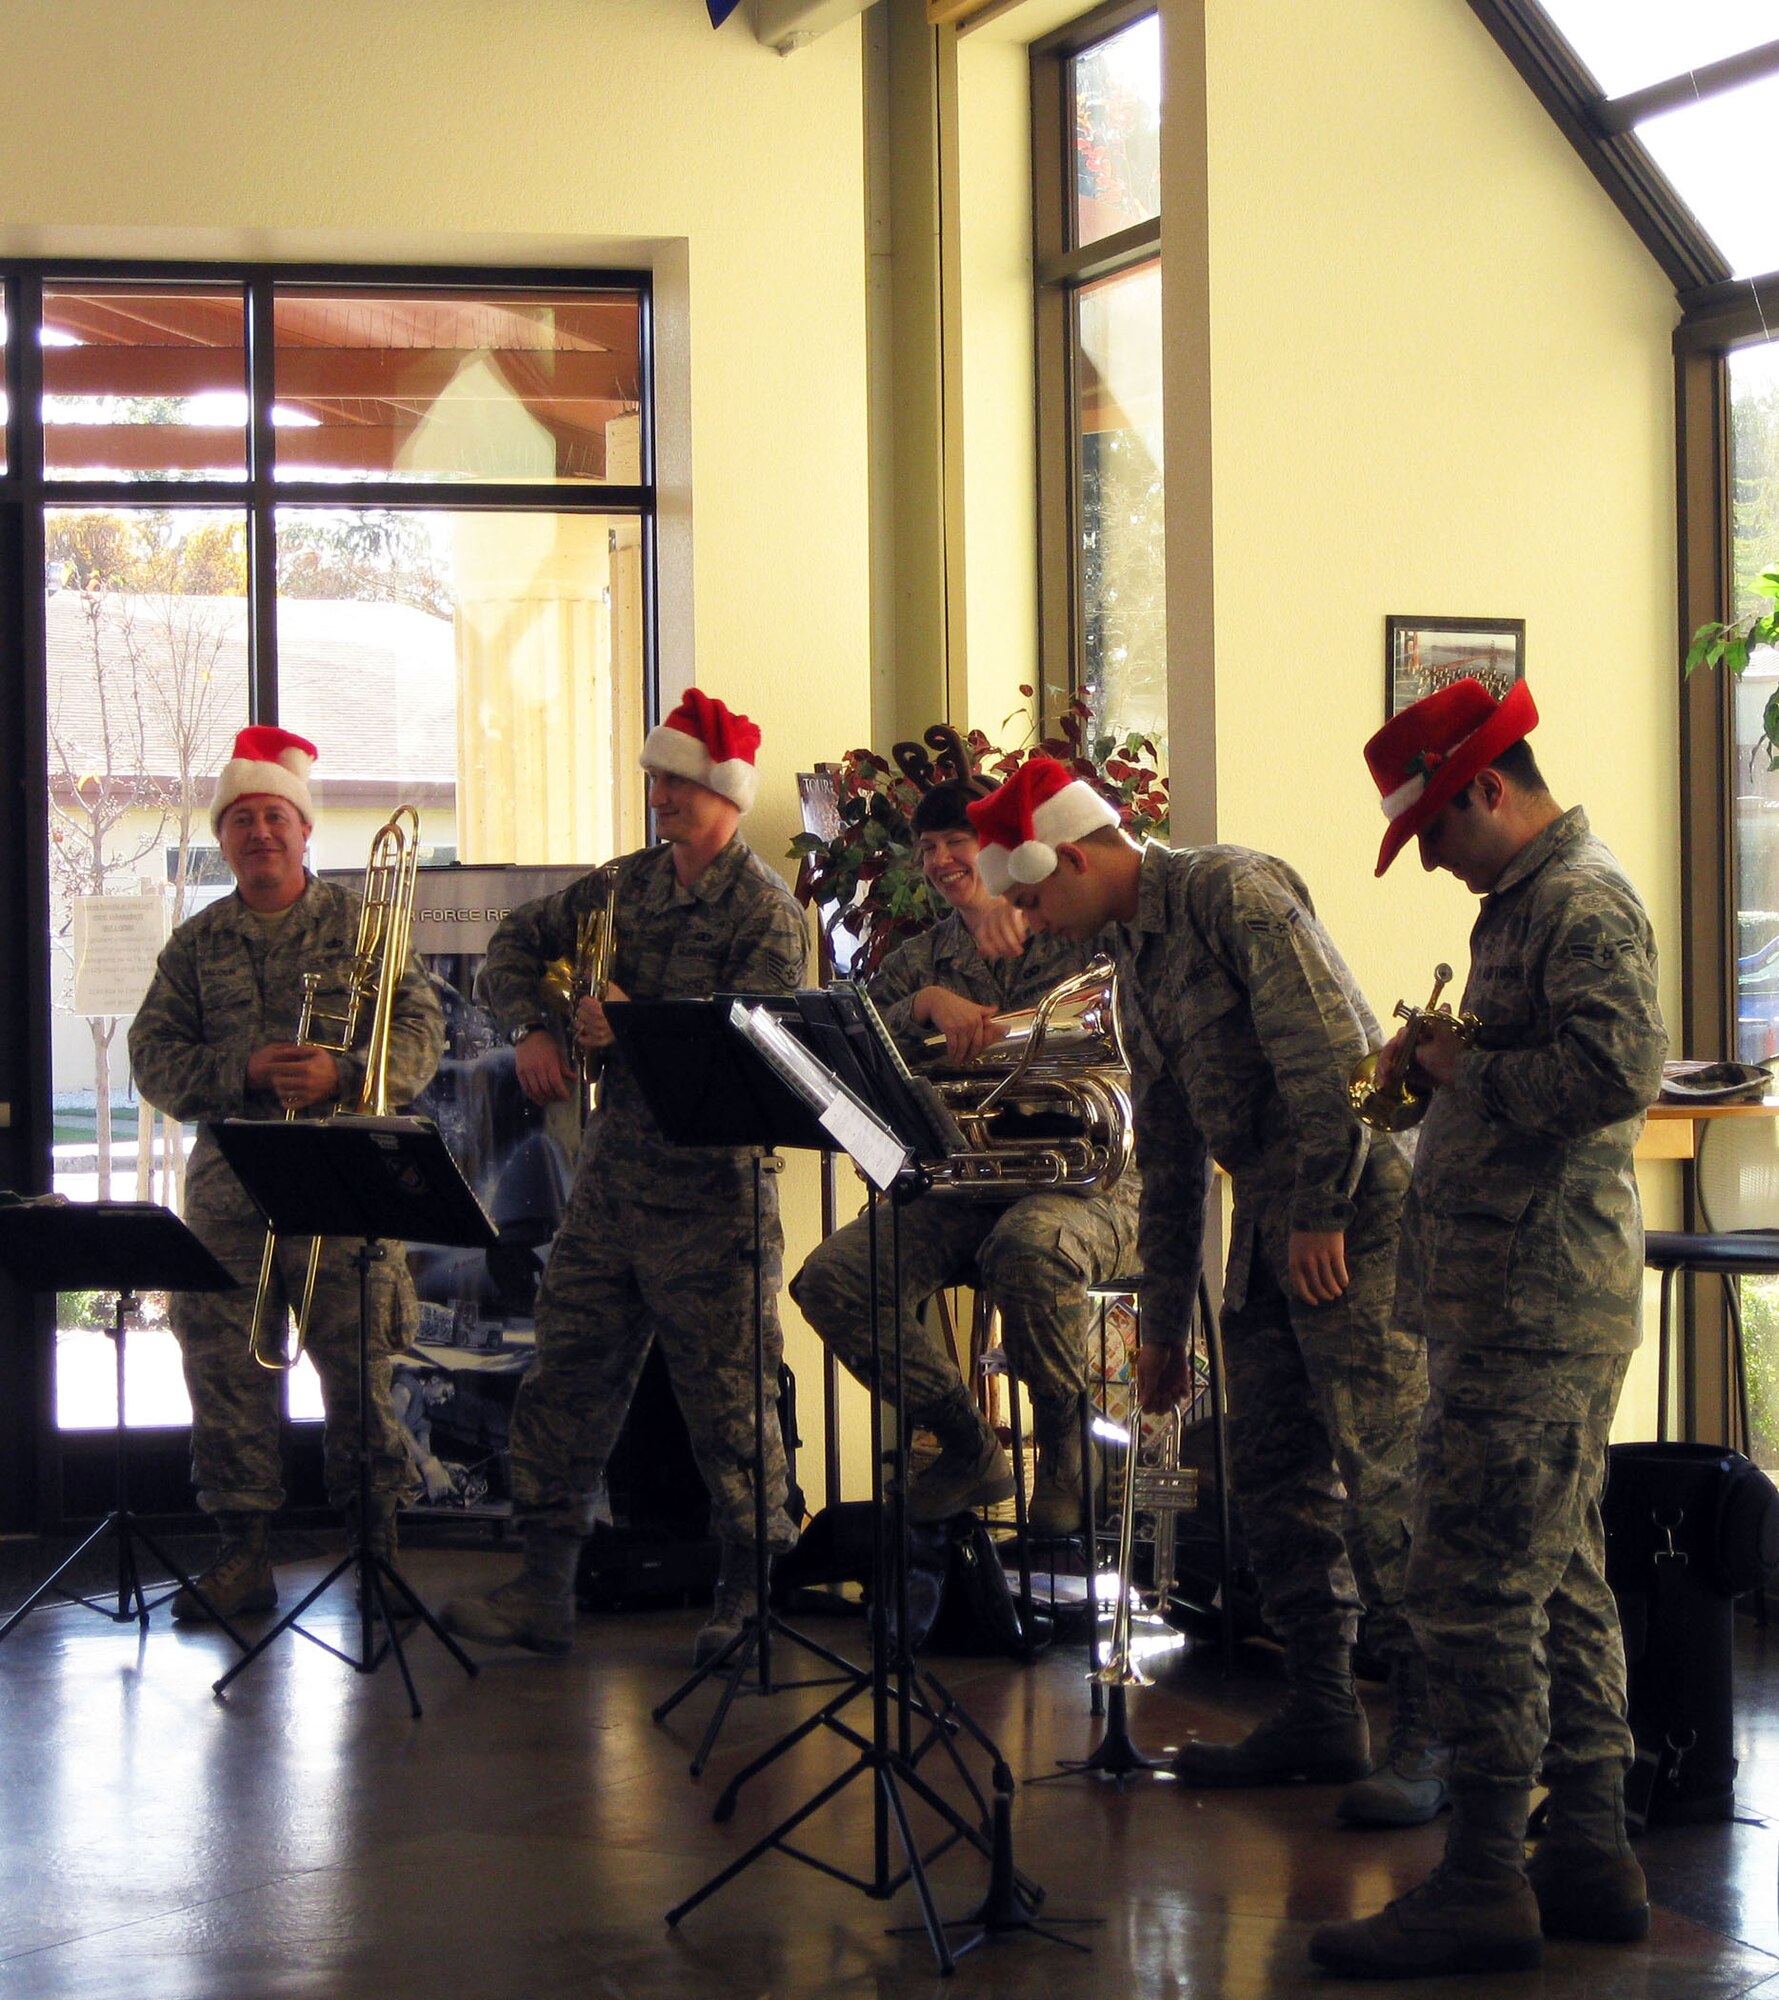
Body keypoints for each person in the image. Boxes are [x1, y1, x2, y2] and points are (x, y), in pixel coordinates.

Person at [971, 756, 1432, 1826]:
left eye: (1036, 897)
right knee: (1273, 1474)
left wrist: (1321, 1207)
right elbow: (1171, 1151)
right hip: (1275, 1226)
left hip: (1353, 1213)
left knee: (1382, 1471)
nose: (1033, 922)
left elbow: (1338, 1063)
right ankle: (1322, 1707)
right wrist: (1164, 1328)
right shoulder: (1132, 951)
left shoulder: (1234, 893)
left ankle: (1436, 1723)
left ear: (1076, 857)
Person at [1309, 679, 1666, 1978]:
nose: (1436, 866)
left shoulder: (1577, 898)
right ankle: (1583, 1858)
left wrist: (1465, 1070)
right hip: (1505, 1296)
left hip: (1534, 1306)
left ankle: (1477, 1878)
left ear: (1484, 790)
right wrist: (1434, 1075)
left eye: (1435, 836)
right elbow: (1538, 1073)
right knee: (1554, 1579)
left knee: (1468, 1590)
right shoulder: (1524, 901)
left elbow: (1614, 1072)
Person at [440, 689, 808, 1666]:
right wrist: (534, 1026)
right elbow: (514, 943)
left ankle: (751, 1593)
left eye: (678, 780)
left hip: (711, 1199)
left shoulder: (767, 913)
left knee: (729, 1406)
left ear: (724, 789)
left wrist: (636, 1022)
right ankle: (543, 1582)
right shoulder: (624, 885)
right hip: (611, 1185)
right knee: (564, 1375)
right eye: (654, 778)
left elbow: (759, 1061)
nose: (661, 796)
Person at [129, 725, 444, 1620]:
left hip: (344, 1186)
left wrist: (345, 1074)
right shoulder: (195, 945)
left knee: (359, 1378)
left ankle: (375, 1553)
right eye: (241, 820)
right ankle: (242, 1557)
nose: (259, 833)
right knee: (227, 1377)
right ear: (223, 838)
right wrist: (246, 1071)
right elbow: (153, 1061)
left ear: (305, 831)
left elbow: (422, 1032)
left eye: (275, 816)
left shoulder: (362, 926)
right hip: (232, 1197)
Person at [789, 778, 1140, 1534]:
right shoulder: (920, 960)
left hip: (1092, 1184)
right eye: (928, 849)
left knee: (1027, 1246)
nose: (943, 859)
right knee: (834, 1279)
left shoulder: (1075, 925)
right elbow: (855, 1051)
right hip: (964, 1185)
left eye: (958, 842)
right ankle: (964, 1441)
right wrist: (922, 1006)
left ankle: (1065, 1453)